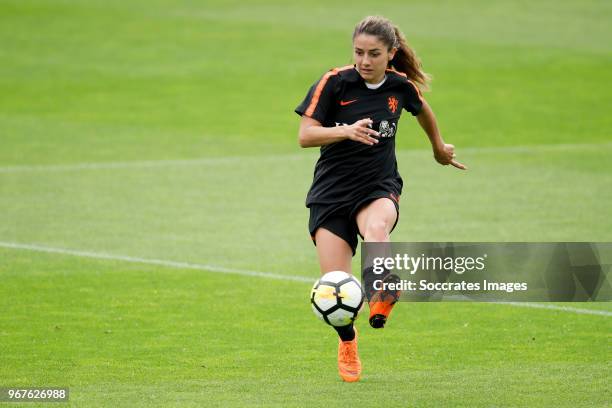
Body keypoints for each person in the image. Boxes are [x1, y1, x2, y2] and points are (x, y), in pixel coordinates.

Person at [295, 15, 466, 382]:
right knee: (335, 286)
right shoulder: (334, 83)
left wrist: (439, 149)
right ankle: (348, 340)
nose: (364, 61)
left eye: (374, 53)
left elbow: (424, 112)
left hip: (378, 185)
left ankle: (382, 293)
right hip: (331, 194)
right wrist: (345, 131)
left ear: (392, 53)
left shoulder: (400, 87)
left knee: (376, 227)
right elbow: (305, 136)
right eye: (358, 52)